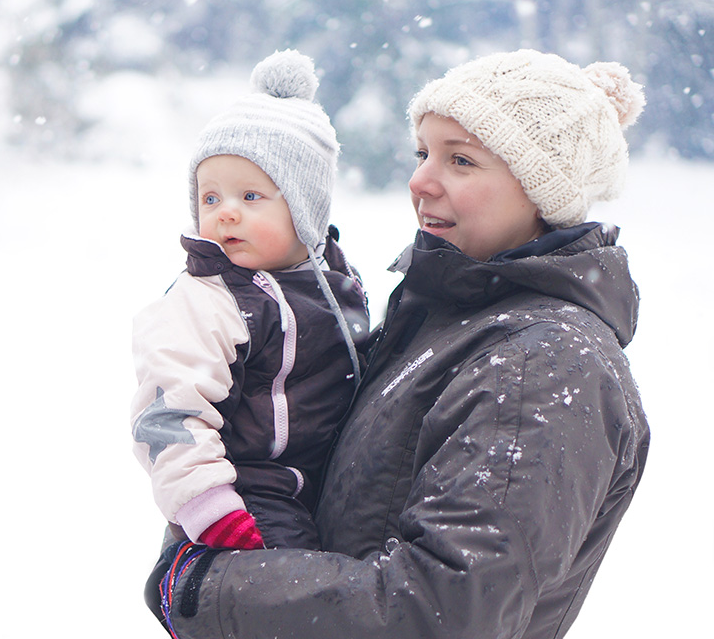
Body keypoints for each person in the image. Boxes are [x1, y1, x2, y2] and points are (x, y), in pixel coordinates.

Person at [147, 49, 651, 639]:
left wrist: (207, 587)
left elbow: (439, 612)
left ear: (543, 191)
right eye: (422, 153)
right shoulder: (441, 320)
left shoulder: (545, 363)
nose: (420, 180)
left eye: (461, 160)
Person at [130, 50, 370, 552]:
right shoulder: (209, 298)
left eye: (251, 196)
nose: (226, 214)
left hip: (327, 488)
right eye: (210, 197)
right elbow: (170, 415)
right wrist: (212, 511)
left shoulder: (337, 284)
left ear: (305, 206)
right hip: (249, 500)